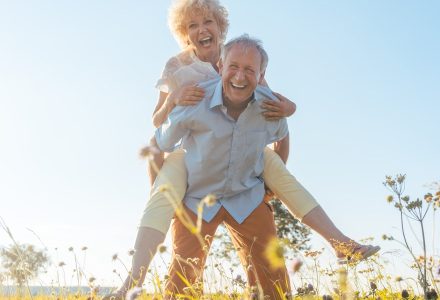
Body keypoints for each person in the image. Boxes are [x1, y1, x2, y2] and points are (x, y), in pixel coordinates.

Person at [105, 0, 379, 298]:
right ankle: (133, 280)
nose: (201, 29)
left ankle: (339, 242)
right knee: (175, 244)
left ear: (220, 26)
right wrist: (173, 101)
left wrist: (289, 113)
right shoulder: (180, 72)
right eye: (192, 25)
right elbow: (158, 131)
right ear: (185, 34)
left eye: (207, 22)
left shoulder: (247, 68)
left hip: (244, 178)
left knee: (277, 178)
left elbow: (275, 112)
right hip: (197, 166)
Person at [157, 35, 290, 298]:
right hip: (197, 198)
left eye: (250, 70)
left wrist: (269, 189)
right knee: (183, 277)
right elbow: (164, 141)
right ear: (220, 66)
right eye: (234, 66)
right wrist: (171, 195)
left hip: (246, 196)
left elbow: (282, 136)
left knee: (272, 279)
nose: (240, 76)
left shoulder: (268, 106)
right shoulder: (196, 98)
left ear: (261, 75)